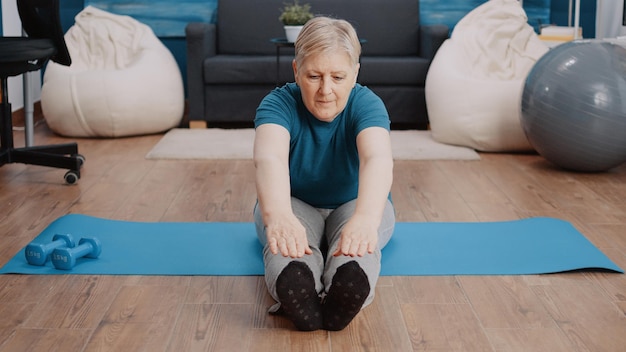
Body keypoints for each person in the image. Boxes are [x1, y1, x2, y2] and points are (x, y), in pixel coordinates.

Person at [253, 16, 395, 331]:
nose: (325, 90)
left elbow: (377, 158)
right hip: (294, 202)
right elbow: (269, 158)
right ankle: (299, 293)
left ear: (355, 73)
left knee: (357, 248)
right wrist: (278, 216)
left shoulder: (367, 103)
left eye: (338, 77)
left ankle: (342, 296)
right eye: (314, 76)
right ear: (296, 71)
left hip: (355, 201)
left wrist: (366, 219)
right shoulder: (278, 103)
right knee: (288, 245)